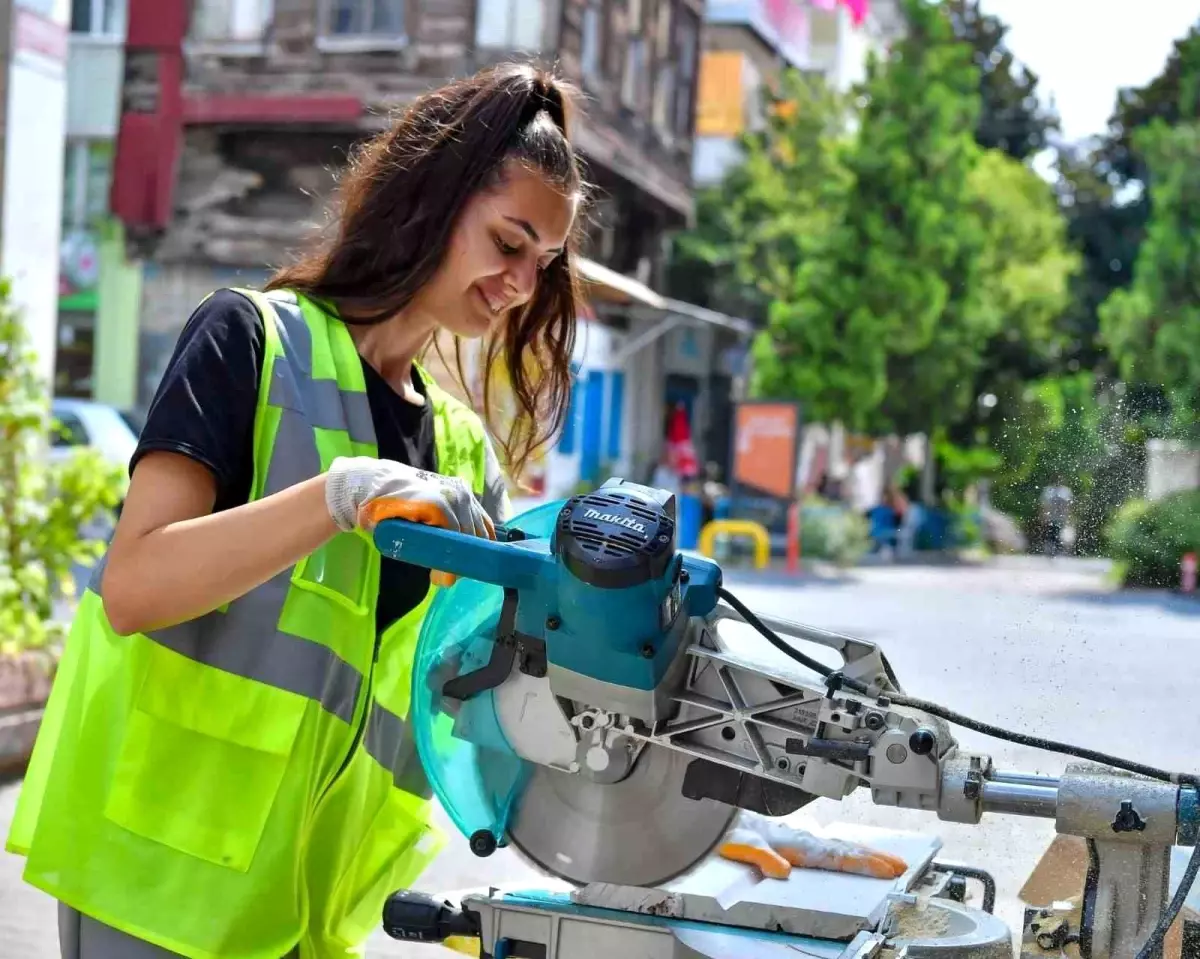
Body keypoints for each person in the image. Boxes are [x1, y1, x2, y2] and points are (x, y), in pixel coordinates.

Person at [6, 63, 584, 959]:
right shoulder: (247, 341)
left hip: (315, 914)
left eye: (541, 264)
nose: (519, 282)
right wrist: (336, 496)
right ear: (434, 199)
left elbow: (472, 700)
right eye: (508, 241)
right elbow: (135, 584)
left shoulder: (465, 458)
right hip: (158, 890)